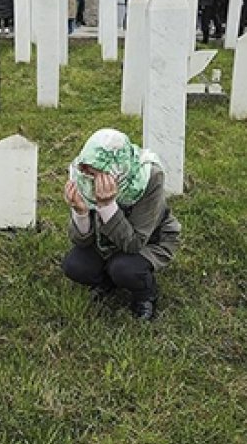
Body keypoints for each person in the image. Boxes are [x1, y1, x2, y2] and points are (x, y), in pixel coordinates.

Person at [61, 129, 181, 321]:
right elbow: (81, 241)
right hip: (105, 239)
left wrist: (107, 205)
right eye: (88, 173)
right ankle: (107, 280)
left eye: (97, 173)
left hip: (149, 239)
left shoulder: (150, 177)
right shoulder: (84, 175)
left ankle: (145, 294)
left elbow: (135, 243)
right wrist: (81, 212)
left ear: (117, 168)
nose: (91, 179)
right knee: (75, 266)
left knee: (124, 268)